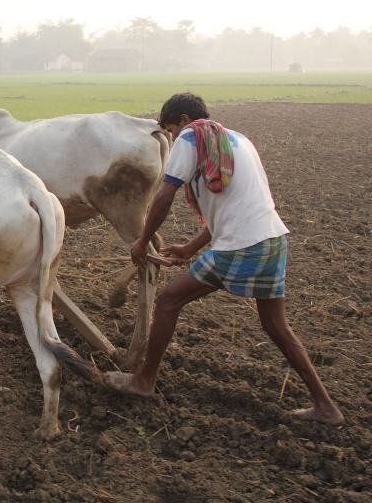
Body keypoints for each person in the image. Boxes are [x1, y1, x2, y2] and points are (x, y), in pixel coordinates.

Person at [104, 92, 344, 425]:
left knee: (170, 299)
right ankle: (326, 406)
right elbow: (233, 208)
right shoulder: (238, 141)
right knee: (277, 327)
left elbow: (165, 195)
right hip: (272, 241)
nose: (173, 138)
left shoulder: (192, 136)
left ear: (184, 121)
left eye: (171, 130)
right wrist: (190, 248)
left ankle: (143, 381)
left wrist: (142, 241)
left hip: (241, 247)